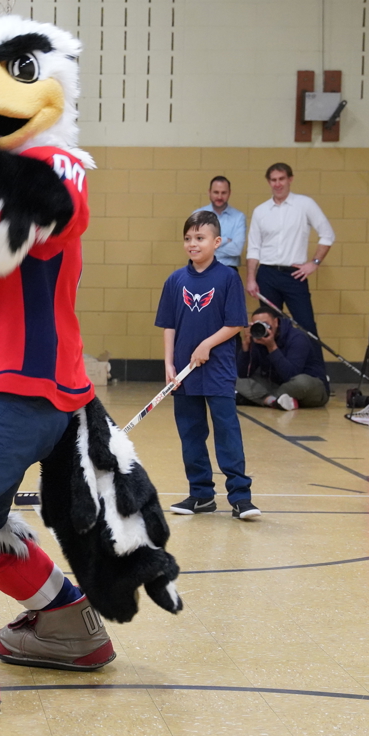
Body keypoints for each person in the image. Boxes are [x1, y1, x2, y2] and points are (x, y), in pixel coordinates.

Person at [157, 210, 258, 519]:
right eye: (188, 238)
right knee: (191, 433)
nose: (193, 244)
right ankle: (201, 495)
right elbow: (169, 325)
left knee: (227, 432)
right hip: (185, 375)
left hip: (218, 371)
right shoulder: (175, 281)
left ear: (216, 242)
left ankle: (240, 497)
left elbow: (236, 323)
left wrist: (206, 345)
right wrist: (169, 363)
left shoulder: (228, 277)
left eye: (199, 238)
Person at [245, 162, 335, 337]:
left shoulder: (305, 204)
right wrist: (250, 278)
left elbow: (328, 235)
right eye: (273, 180)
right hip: (267, 275)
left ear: (290, 179)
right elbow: (254, 248)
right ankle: (270, 365)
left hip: (294, 275)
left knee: (306, 325)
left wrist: (314, 263)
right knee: (267, 326)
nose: (277, 184)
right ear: (269, 182)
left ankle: (314, 366)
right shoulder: (260, 211)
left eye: (281, 179)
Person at [235, 305, 329, 409]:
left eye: (265, 324)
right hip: (276, 385)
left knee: (301, 382)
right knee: (231, 377)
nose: (262, 328)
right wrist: (246, 347)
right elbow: (243, 374)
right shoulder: (258, 339)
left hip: (308, 389)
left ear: (276, 322)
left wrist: (272, 347)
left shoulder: (297, 338)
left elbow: (291, 374)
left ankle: (265, 398)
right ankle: (274, 401)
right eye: (258, 325)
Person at [194, 176, 246, 269]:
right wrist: (225, 240)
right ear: (209, 192)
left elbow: (237, 250)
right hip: (202, 269)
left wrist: (209, 249)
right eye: (216, 192)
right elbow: (196, 247)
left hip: (229, 270)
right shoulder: (198, 215)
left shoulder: (238, 217)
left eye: (223, 193)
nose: (219, 197)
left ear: (229, 193)